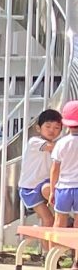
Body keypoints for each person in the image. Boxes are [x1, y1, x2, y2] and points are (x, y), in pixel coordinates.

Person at [19, 106, 63, 229]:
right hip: (30, 187)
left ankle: (64, 215)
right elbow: (51, 147)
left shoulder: (60, 144)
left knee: (49, 220)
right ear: (38, 128)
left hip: (45, 182)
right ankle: (66, 213)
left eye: (56, 127)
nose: (51, 130)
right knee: (48, 219)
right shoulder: (35, 142)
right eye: (48, 126)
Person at [47, 99, 78, 232]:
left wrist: (52, 190)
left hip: (63, 187)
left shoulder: (61, 143)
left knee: (59, 223)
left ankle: (54, 251)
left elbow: (55, 169)